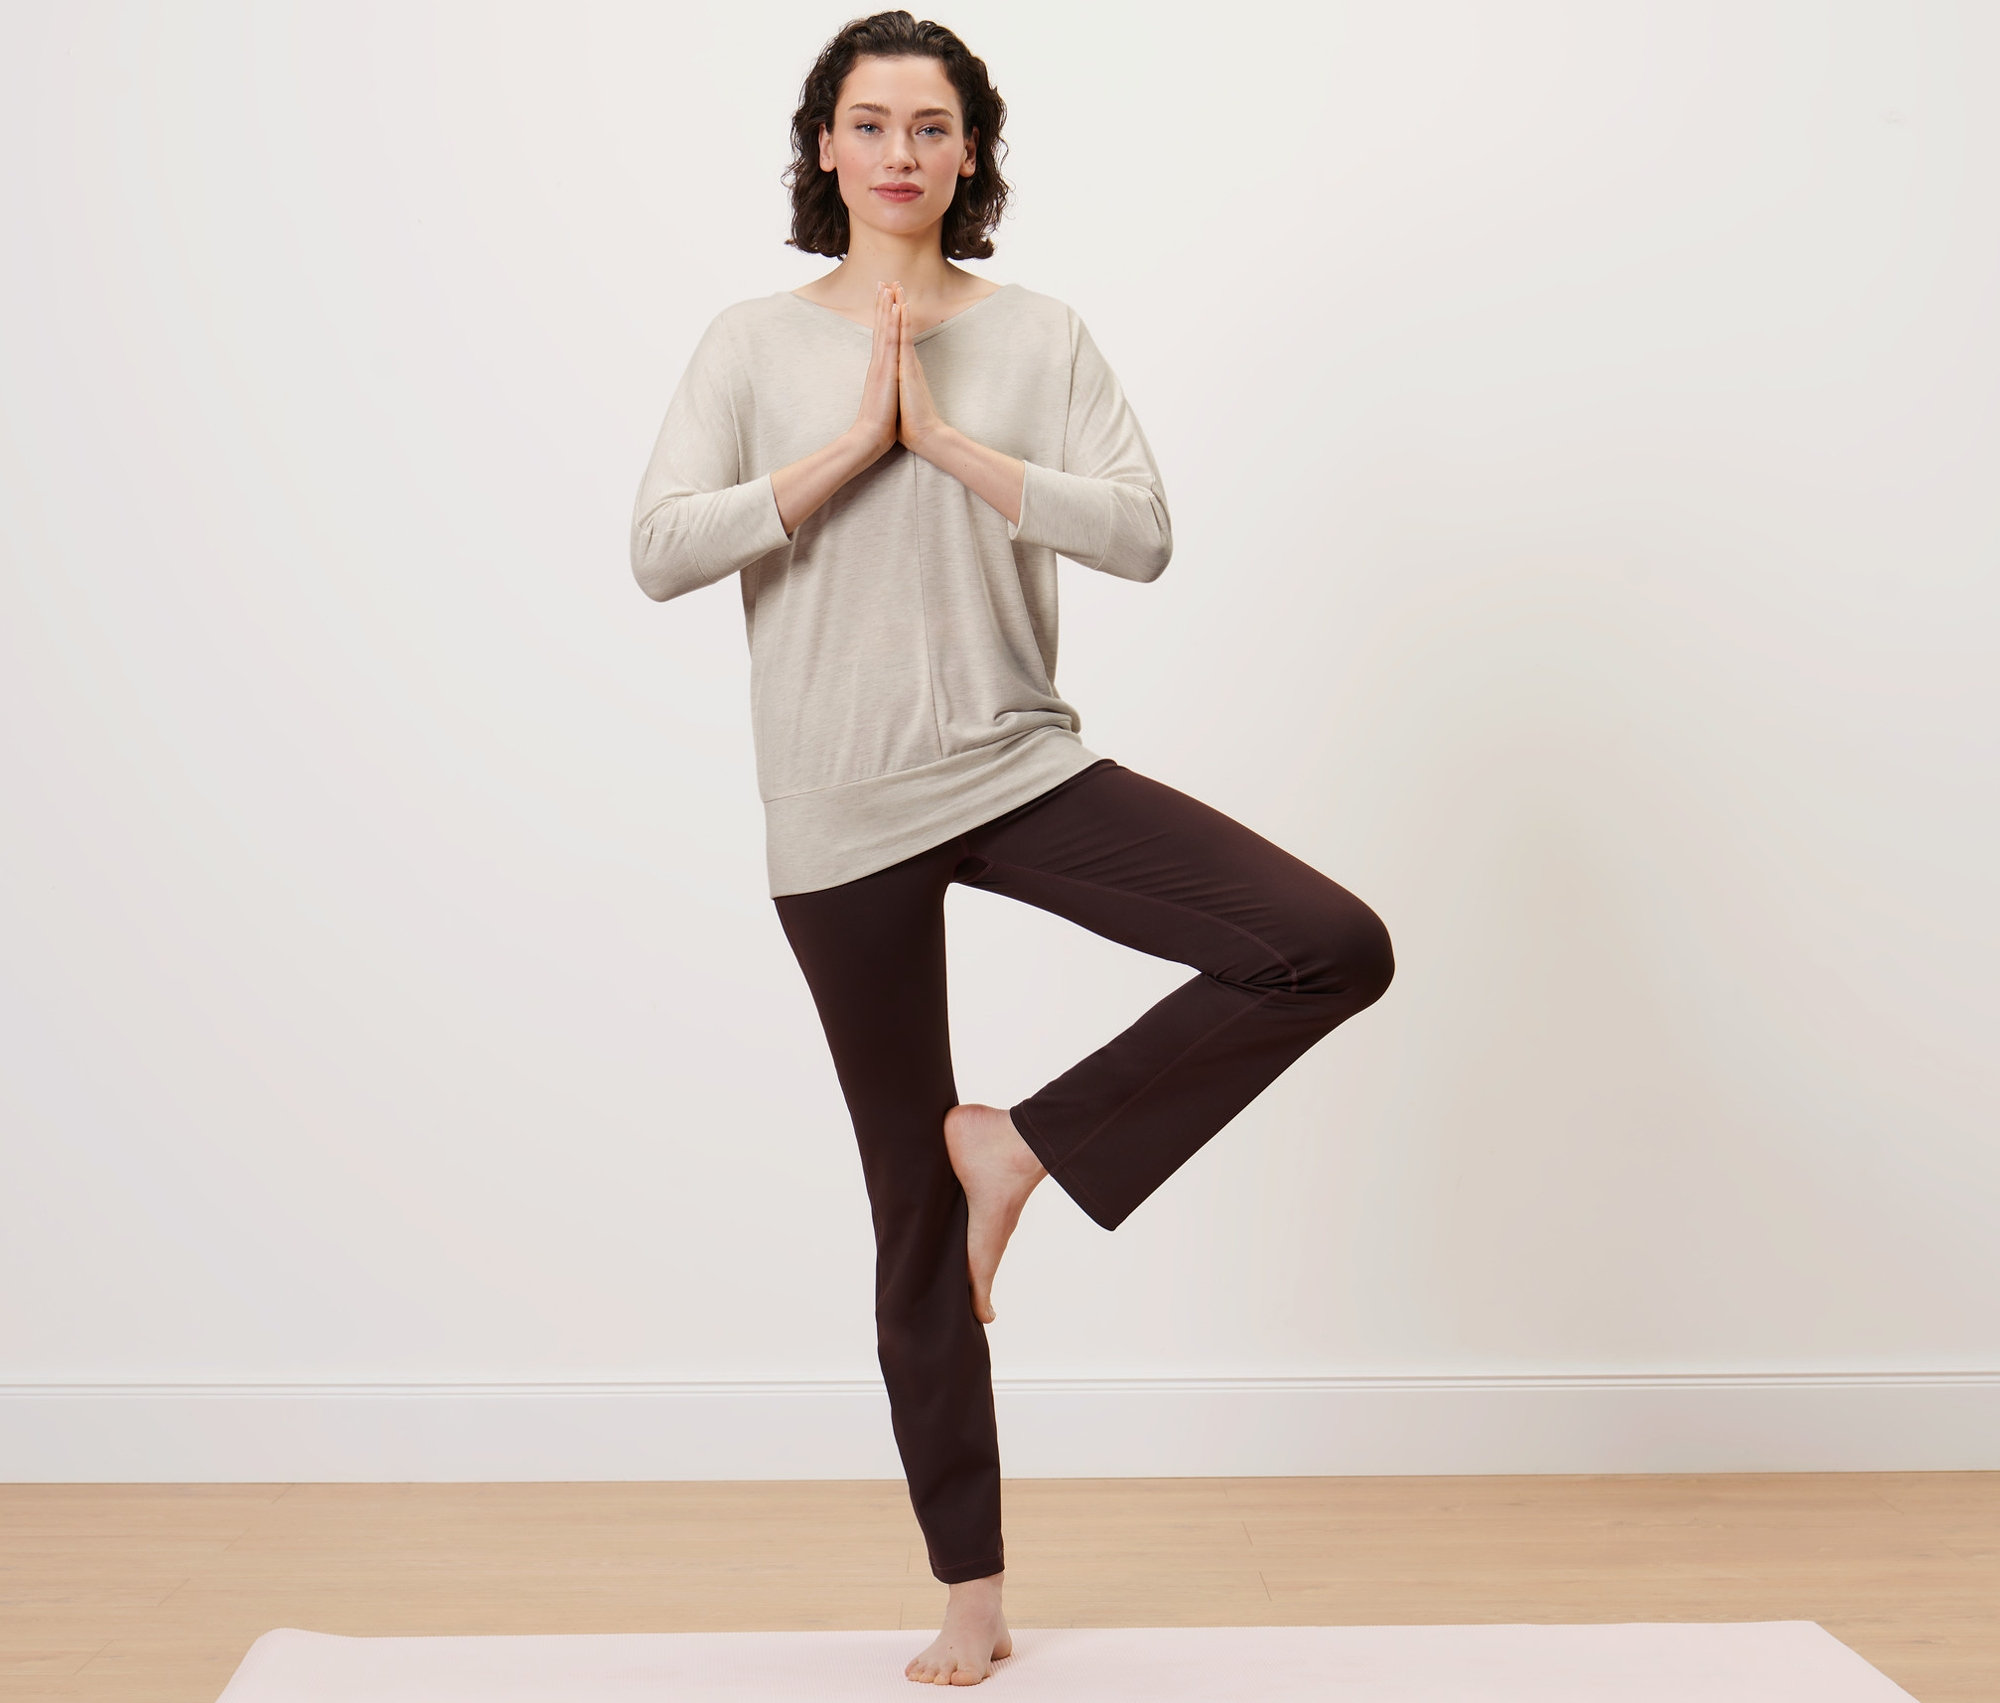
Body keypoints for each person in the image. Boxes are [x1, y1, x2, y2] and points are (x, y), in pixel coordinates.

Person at [629, 10, 1394, 1686]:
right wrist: (848, 446)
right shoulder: (750, 342)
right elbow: (661, 548)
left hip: (1010, 765)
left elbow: (1142, 532)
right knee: (906, 1203)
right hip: (836, 808)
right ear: (821, 148)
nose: (899, 150)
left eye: (931, 125)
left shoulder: (1041, 334)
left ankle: (1028, 1144)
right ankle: (969, 1591)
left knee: (1327, 943)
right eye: (868, 122)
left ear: (969, 153)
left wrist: (953, 442)